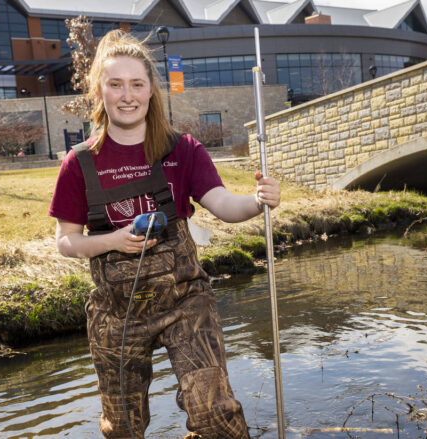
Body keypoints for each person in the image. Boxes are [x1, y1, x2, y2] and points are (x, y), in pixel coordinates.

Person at [49, 30, 280, 439]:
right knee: (122, 428)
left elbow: (225, 206)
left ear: (151, 90)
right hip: (115, 315)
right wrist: (112, 241)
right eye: (115, 84)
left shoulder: (183, 150)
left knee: (213, 414)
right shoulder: (78, 164)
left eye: (137, 84)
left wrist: (258, 201)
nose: (127, 95)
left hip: (186, 303)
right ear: (98, 90)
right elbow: (65, 241)